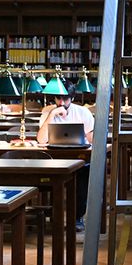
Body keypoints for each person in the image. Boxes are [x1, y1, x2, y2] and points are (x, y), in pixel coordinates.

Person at [36, 91, 96, 233]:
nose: (61, 102)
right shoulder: (47, 113)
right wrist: (52, 115)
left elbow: (92, 139)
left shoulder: (83, 112)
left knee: (83, 173)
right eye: (58, 98)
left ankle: (77, 217)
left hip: (79, 158)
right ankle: (51, 215)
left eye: (65, 98)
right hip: (53, 160)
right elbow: (41, 140)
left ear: (72, 98)